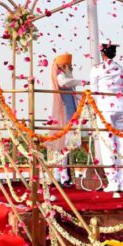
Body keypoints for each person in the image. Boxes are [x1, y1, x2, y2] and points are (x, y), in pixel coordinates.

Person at [90, 43, 123, 193]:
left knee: (107, 145)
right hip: (121, 106)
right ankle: (122, 180)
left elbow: (93, 90)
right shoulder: (120, 68)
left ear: (103, 53)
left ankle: (113, 181)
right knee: (121, 144)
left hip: (105, 107)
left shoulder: (96, 69)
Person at [50, 53, 84, 185]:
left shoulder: (67, 76)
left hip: (69, 115)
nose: (71, 68)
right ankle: (62, 176)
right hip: (63, 115)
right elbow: (64, 83)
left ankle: (61, 176)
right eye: (69, 66)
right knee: (62, 146)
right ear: (63, 66)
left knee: (65, 146)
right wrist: (81, 82)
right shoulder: (60, 77)